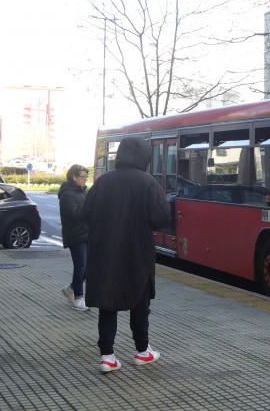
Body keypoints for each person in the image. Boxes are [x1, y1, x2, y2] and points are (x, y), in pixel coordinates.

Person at [81, 136, 168, 373]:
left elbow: (86, 214)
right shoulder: (148, 182)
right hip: (136, 253)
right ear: (145, 157)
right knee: (140, 303)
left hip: (104, 252)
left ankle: (107, 357)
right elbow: (160, 218)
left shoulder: (103, 181)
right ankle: (142, 351)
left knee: (107, 304)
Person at [59, 164, 90, 312]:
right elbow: (74, 216)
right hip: (75, 235)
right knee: (81, 266)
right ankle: (79, 298)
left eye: (86, 177)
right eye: (82, 177)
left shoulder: (83, 191)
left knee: (89, 266)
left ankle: (70, 288)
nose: (85, 180)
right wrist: (90, 209)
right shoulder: (67, 194)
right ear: (74, 177)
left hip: (87, 233)